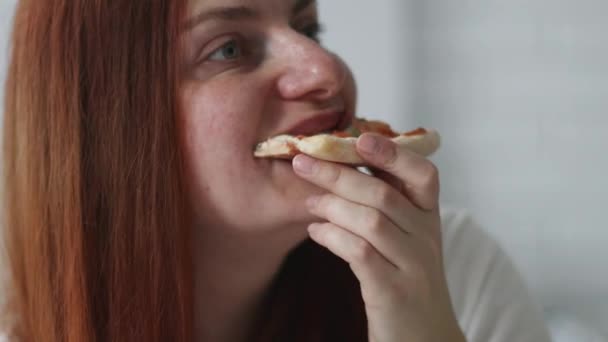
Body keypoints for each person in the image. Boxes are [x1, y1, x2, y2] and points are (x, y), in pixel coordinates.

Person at [0, 0, 552, 341]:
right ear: (107, 124)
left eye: (308, 26)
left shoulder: (451, 270)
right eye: (229, 48)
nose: (325, 68)